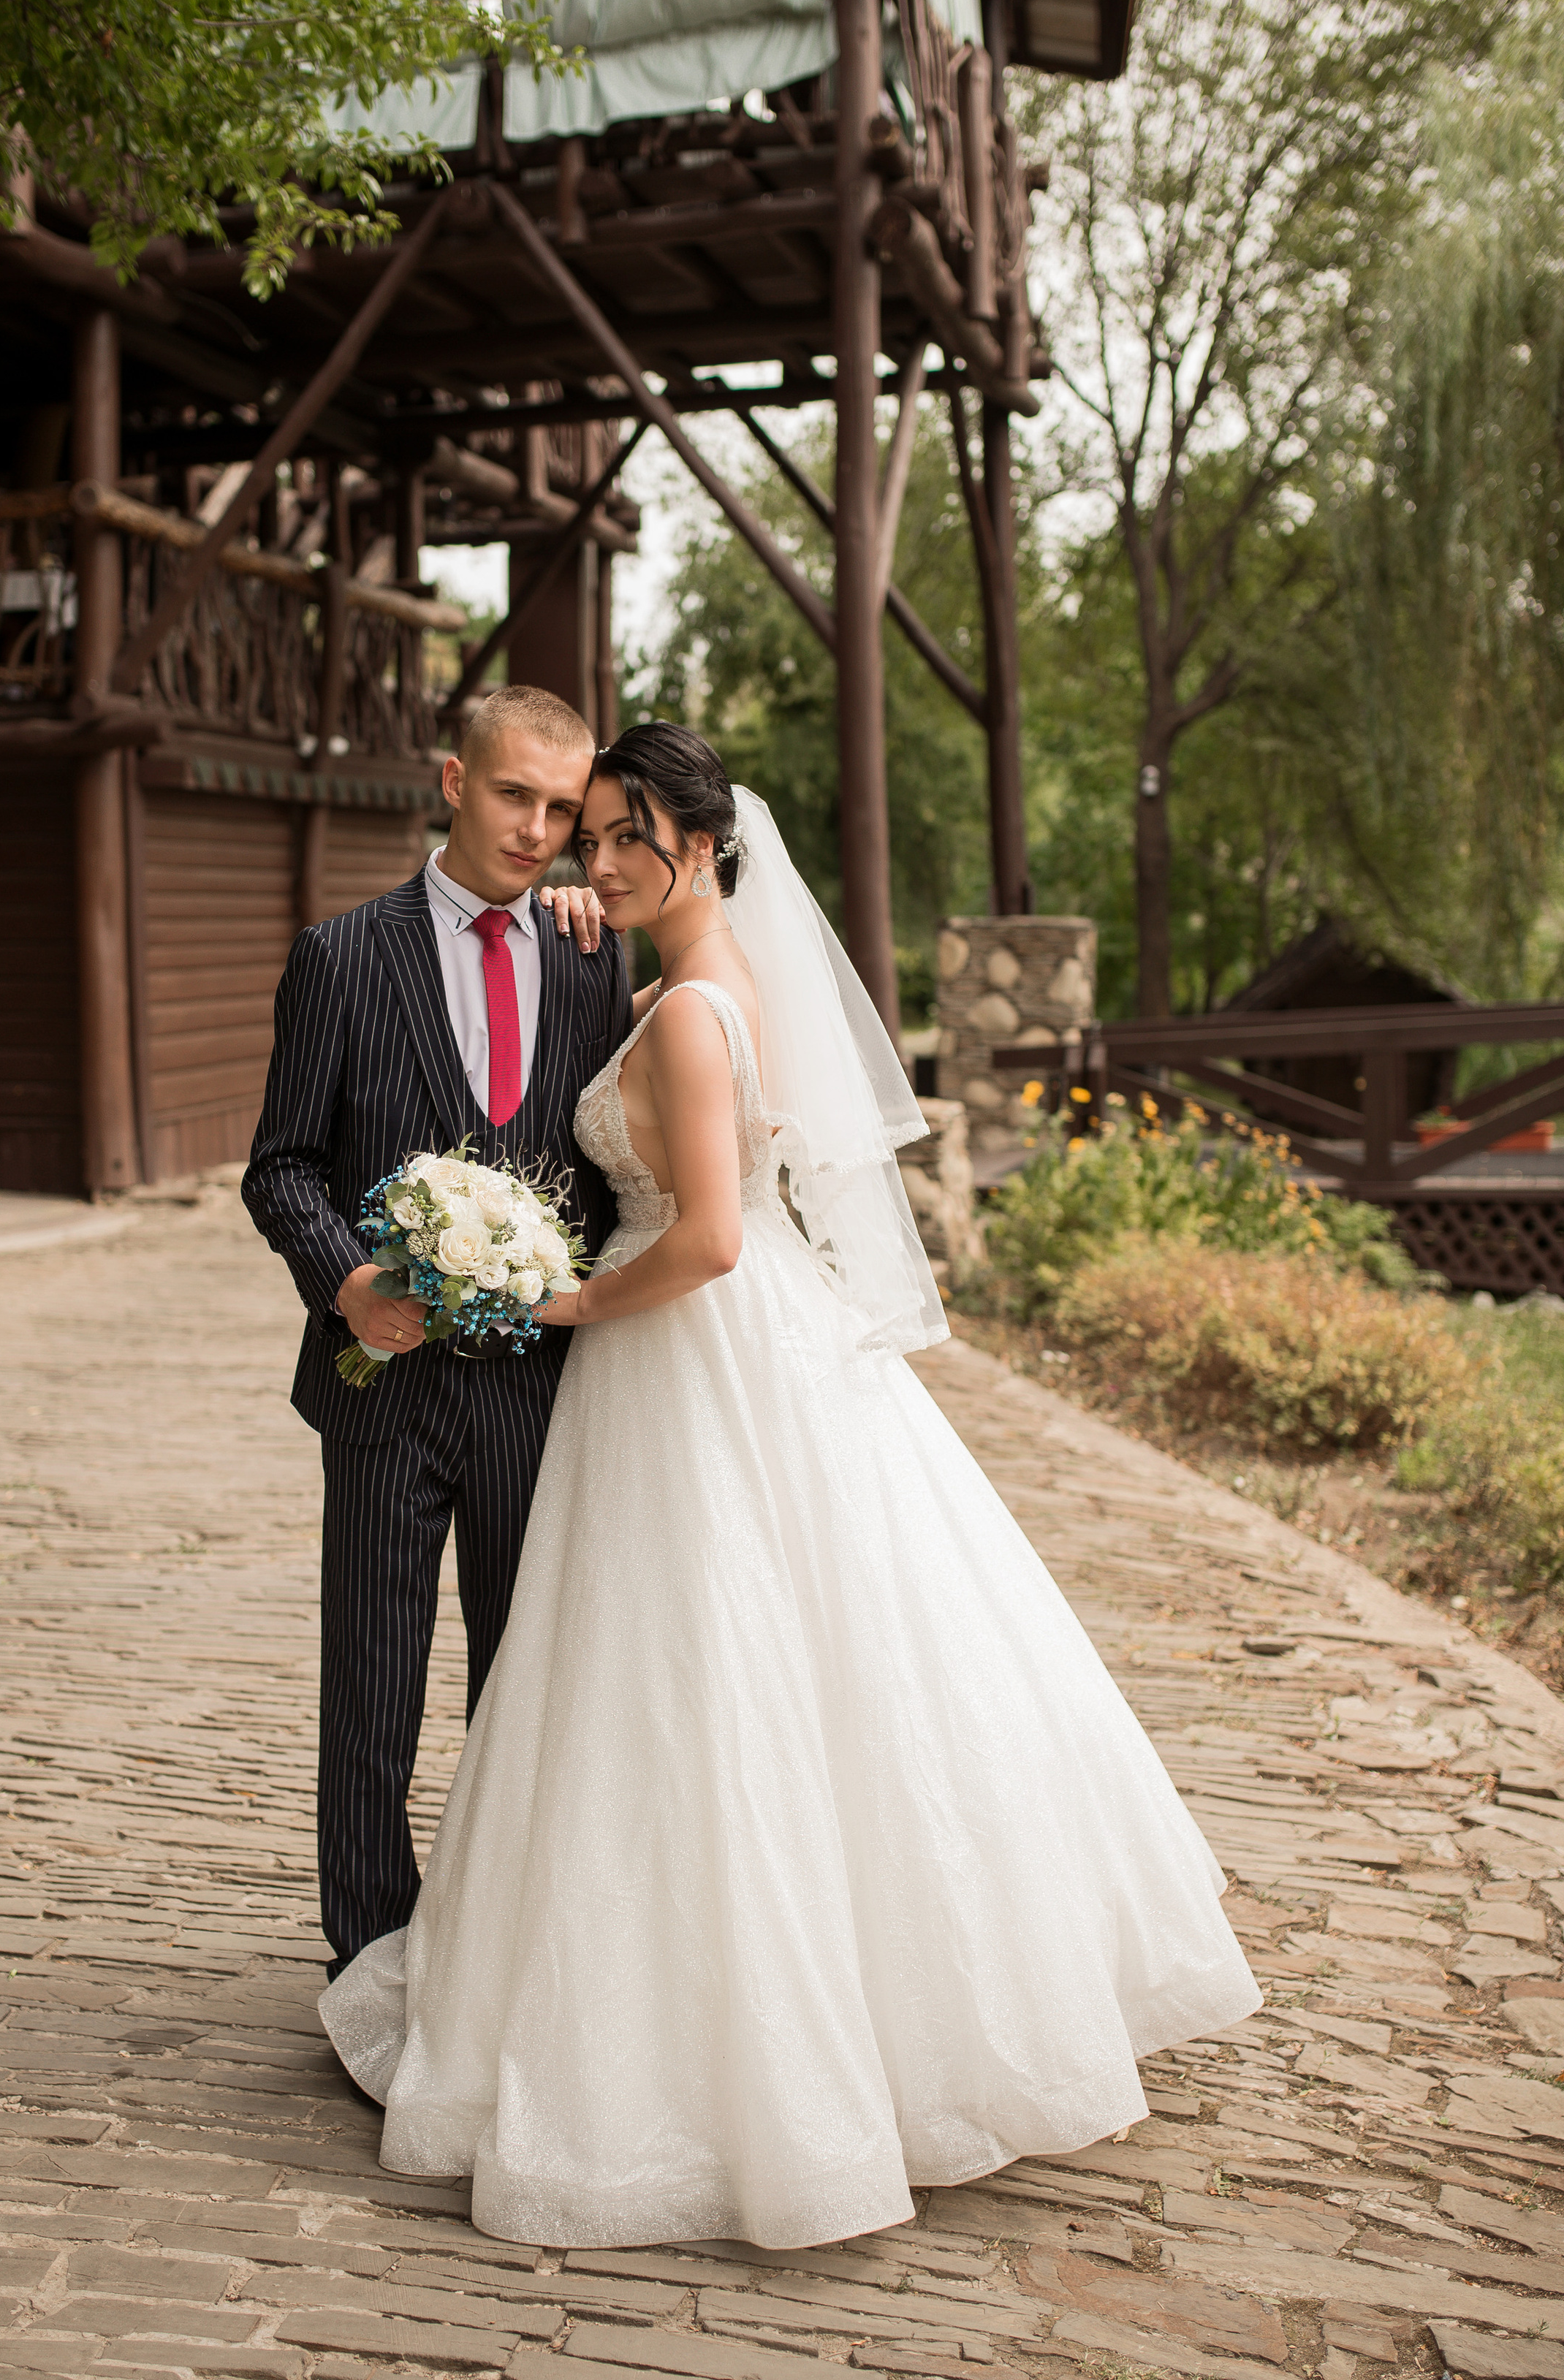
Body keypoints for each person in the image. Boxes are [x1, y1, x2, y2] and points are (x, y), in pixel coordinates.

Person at [318, 722, 1261, 2252]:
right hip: (704, 1363)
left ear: (703, 843)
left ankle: (748, 2055)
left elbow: (703, 1240)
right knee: (699, 1682)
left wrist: (544, 1305)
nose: (597, 858)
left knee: (706, 1680)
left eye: (628, 835)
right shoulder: (681, 985)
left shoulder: (690, 1014)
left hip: (688, 1345)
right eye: (588, 834)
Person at [242, 687, 632, 1980]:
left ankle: (496, 1955)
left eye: (562, 810)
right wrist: (349, 1280)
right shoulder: (342, 955)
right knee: (372, 1688)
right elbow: (282, 1166)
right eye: (514, 794)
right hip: (384, 1385)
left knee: (525, 1691)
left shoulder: (590, 951)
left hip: (542, 1387)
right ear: (454, 778)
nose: (536, 829)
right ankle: (368, 1956)